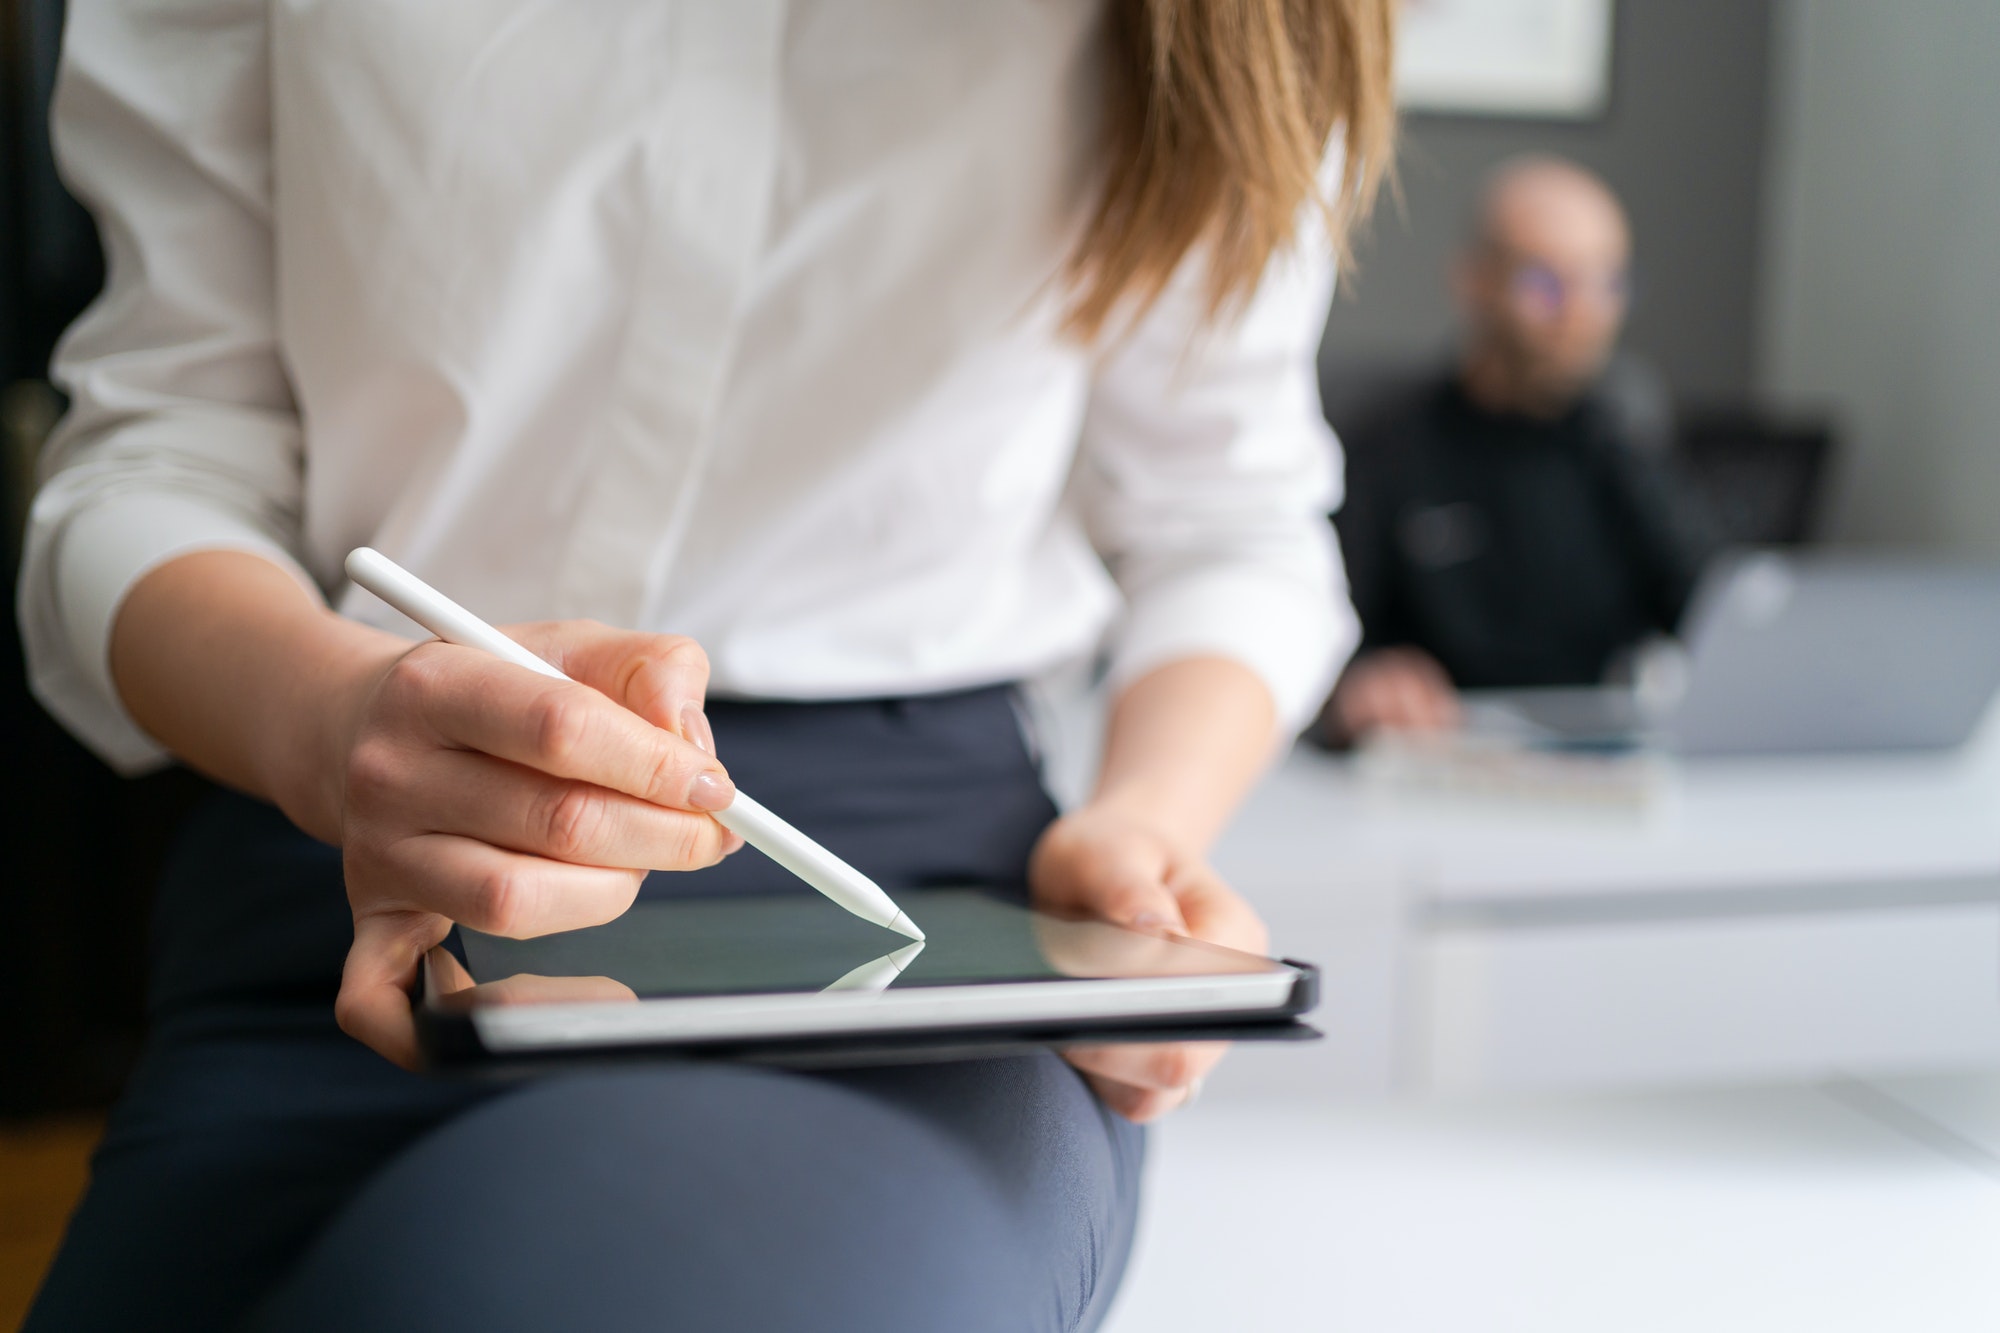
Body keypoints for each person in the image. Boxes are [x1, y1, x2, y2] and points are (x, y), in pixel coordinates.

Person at [17, 3, 1394, 1329]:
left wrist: (1143, 829)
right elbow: (157, 457)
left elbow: (1230, 523)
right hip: (376, 870)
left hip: (924, 929)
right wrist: (327, 719)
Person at [1318, 156, 1715, 743]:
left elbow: (1711, 603)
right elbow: (1319, 630)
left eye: (1607, 284)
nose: (1581, 315)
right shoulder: (1389, 450)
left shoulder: (1618, 443)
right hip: (1435, 764)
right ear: (1475, 280)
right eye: (1546, 285)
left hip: (1596, 765)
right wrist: (1358, 682)